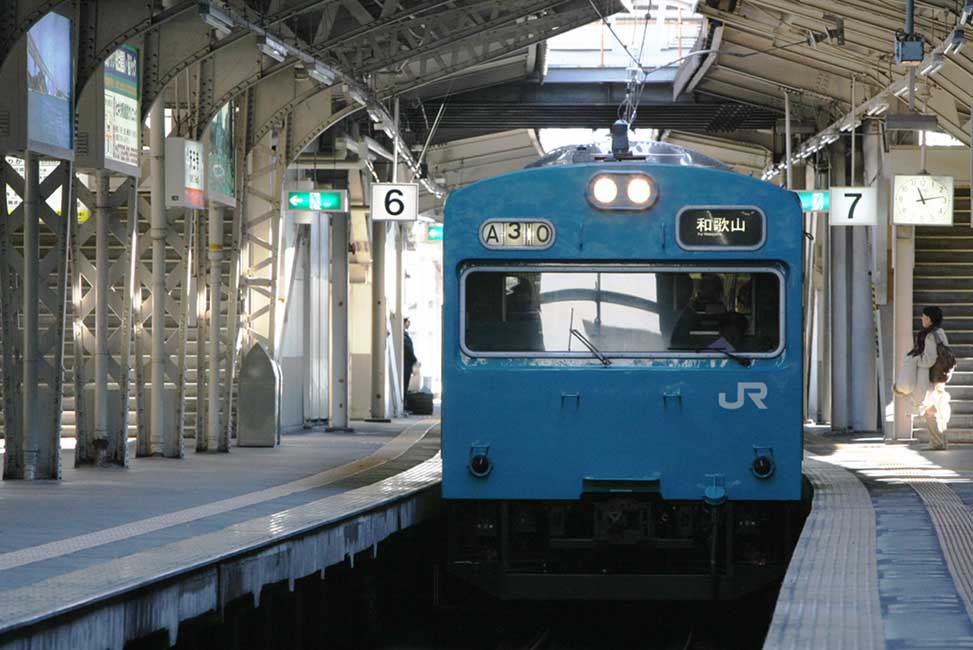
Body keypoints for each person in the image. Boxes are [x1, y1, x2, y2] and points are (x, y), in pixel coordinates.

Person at [908, 306, 951, 450]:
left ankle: (937, 442)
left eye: (924, 316)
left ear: (929, 319)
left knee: (930, 410)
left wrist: (914, 360)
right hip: (940, 375)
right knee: (937, 408)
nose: (922, 318)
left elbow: (929, 359)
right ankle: (941, 441)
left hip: (931, 377)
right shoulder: (940, 332)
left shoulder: (929, 335)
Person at [403, 317, 417, 400]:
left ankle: (404, 404)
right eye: (408, 321)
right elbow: (408, 350)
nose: (409, 323)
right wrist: (414, 359)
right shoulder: (403, 336)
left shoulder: (405, 335)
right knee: (404, 385)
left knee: (405, 385)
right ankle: (404, 405)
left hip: (407, 364)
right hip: (406, 364)